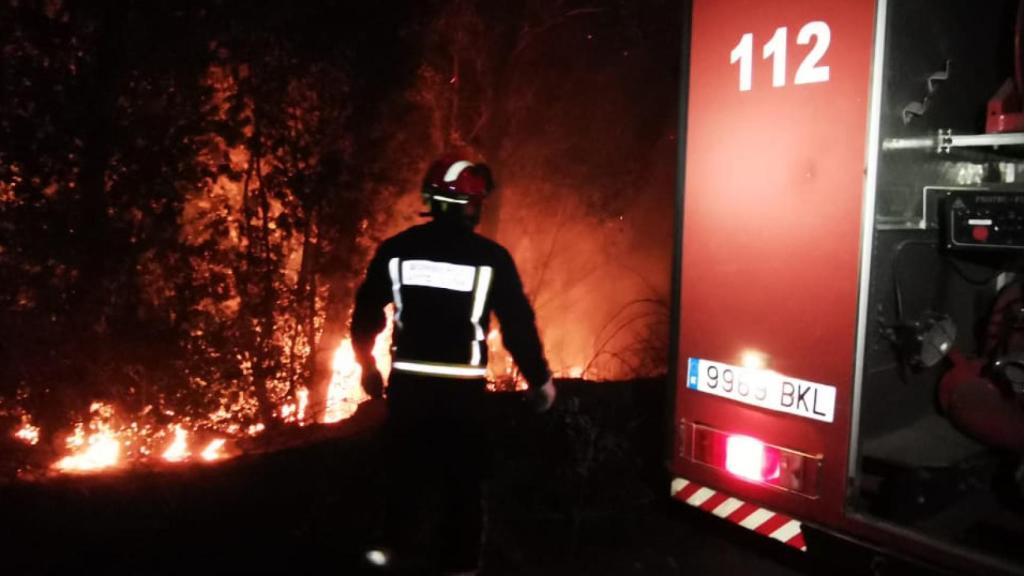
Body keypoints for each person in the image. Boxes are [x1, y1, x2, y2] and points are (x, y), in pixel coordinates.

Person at [351, 156, 556, 575]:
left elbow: (365, 314)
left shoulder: (397, 250)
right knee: (464, 491)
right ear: (472, 206)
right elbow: (517, 325)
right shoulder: (491, 258)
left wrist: (367, 366)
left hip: (409, 393)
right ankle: (458, 568)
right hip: (463, 399)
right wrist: (540, 381)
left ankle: (390, 558)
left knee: (403, 487)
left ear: (431, 199)